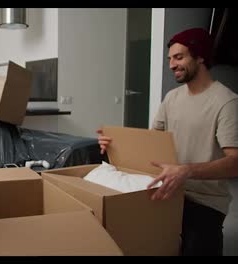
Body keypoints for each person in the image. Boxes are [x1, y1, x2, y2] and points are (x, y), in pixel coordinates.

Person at [97, 28, 238, 256]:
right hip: (168, 191)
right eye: (170, 59)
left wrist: (186, 171)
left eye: (179, 57)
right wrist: (115, 145)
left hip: (204, 200)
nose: (172, 64)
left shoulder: (226, 102)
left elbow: (235, 163)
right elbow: (151, 142)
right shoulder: (172, 98)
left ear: (200, 56)